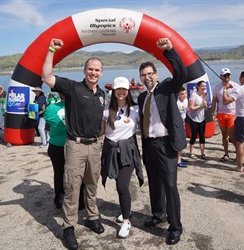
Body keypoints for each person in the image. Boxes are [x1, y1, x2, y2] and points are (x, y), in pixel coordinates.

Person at [42, 38, 106, 250]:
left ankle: (91, 217)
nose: (93, 73)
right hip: (75, 146)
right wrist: (51, 50)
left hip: (95, 146)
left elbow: (101, 121)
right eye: (90, 69)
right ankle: (68, 227)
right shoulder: (72, 88)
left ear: (101, 73)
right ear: (84, 70)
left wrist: (101, 138)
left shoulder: (102, 95)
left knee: (92, 183)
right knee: (72, 186)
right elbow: (46, 76)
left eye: (97, 70)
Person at [137, 38, 187, 245]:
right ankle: (159, 214)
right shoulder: (141, 97)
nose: (147, 77)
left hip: (166, 144)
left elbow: (182, 74)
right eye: (144, 75)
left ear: (156, 75)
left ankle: (175, 227)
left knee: (170, 185)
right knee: (154, 183)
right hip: (149, 144)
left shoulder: (167, 87)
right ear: (141, 78)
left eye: (150, 74)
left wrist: (170, 50)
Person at [101, 76, 143, 239]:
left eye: (124, 89)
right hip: (111, 150)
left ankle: (126, 221)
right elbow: (102, 131)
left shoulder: (136, 109)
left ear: (128, 91)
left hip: (128, 151)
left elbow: (147, 126)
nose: (121, 92)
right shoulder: (106, 110)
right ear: (113, 91)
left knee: (122, 186)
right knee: (117, 182)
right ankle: (127, 210)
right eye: (118, 89)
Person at [211, 68, 239, 161]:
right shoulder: (217, 87)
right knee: (224, 135)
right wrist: (212, 112)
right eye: (224, 75)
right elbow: (214, 100)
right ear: (220, 76)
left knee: (232, 135)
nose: (227, 76)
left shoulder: (235, 86)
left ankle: (238, 153)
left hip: (232, 113)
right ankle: (226, 154)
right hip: (221, 113)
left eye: (228, 75)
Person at [187, 80, 209, 160]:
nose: (204, 88)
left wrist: (206, 106)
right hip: (193, 118)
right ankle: (191, 153)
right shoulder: (194, 95)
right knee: (194, 135)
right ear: (198, 87)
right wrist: (201, 106)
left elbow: (206, 109)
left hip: (202, 118)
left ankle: (203, 153)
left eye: (205, 86)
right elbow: (191, 108)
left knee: (202, 136)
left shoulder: (206, 95)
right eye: (202, 86)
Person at [176, 87, 188, 167]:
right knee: (179, 141)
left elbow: (186, 110)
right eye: (182, 94)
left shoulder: (186, 101)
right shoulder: (177, 102)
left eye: (185, 93)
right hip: (177, 123)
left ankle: (179, 156)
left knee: (183, 139)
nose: (184, 95)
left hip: (183, 121)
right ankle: (178, 161)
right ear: (178, 95)